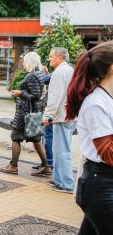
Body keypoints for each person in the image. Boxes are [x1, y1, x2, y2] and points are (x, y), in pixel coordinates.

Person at [47, 41, 113, 235]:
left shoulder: (107, 99)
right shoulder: (97, 103)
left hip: (102, 186)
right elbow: (108, 153)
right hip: (100, 187)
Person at [0, 52, 50, 176]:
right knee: (36, 139)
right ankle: (46, 166)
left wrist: (20, 93)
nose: (23, 63)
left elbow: (35, 96)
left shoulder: (32, 75)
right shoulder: (38, 73)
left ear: (29, 62)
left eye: (24, 61)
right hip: (31, 111)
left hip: (25, 112)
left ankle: (13, 166)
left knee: (15, 137)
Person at [43, 47, 76, 193]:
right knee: (60, 149)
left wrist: (47, 115)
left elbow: (54, 97)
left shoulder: (59, 72)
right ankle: (58, 180)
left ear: (60, 57)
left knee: (61, 151)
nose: (49, 59)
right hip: (69, 115)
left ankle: (66, 184)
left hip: (62, 116)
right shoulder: (70, 70)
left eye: (51, 57)